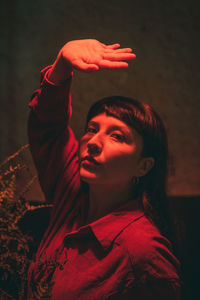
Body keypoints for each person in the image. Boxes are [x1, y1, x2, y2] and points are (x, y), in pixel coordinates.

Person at [27, 39, 181, 299]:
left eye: (117, 136)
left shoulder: (141, 249)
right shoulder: (72, 197)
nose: (94, 143)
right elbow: (48, 128)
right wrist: (62, 65)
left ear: (144, 166)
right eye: (91, 129)